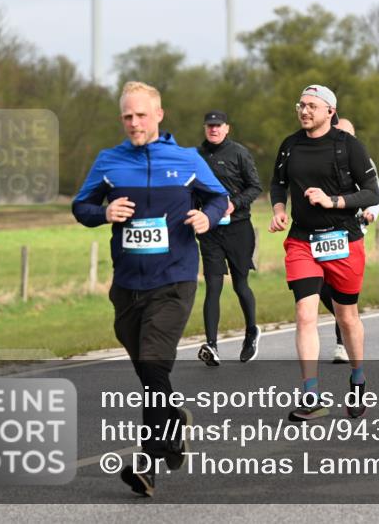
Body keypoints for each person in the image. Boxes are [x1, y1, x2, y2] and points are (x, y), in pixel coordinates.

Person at [72, 81, 229, 496]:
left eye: (141, 115)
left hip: (173, 279)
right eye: (127, 116)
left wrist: (207, 219)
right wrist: (103, 211)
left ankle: (147, 461)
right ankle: (174, 422)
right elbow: (80, 207)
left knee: (154, 364)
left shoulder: (187, 159)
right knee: (147, 371)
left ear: (159, 115)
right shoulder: (109, 161)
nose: (134, 122)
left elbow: (218, 198)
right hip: (127, 284)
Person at [269, 85, 379, 421]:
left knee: (347, 318)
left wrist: (334, 201)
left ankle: (358, 377)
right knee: (305, 314)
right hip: (303, 241)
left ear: (330, 111)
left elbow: (372, 193)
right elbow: (278, 183)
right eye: (300, 105)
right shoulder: (290, 146)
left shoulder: (349, 146)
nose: (304, 111)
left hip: (343, 241)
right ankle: (310, 394)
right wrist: (278, 208)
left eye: (311, 106)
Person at [195, 110, 264, 366]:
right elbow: (189, 188)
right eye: (209, 126)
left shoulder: (239, 153)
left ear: (227, 128)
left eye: (218, 125)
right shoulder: (196, 156)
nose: (213, 129)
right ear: (205, 128)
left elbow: (255, 186)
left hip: (238, 228)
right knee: (213, 286)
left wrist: (234, 204)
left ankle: (251, 332)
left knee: (239, 284)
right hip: (210, 230)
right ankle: (211, 345)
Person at [319, 117, 379, 364]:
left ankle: (341, 343)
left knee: (340, 285)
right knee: (321, 286)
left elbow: (377, 192)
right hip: (321, 231)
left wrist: (372, 212)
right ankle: (346, 317)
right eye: (339, 132)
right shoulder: (321, 156)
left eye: (348, 133)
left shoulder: (362, 158)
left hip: (351, 230)